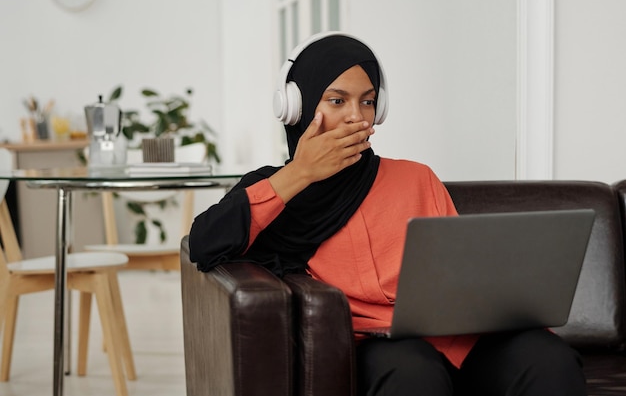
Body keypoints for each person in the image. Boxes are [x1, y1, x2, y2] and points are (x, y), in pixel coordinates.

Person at [188, 32, 587, 396]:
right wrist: (302, 172)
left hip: (460, 334)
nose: (356, 117)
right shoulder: (275, 186)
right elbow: (206, 243)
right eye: (337, 100)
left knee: (548, 358)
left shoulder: (416, 177)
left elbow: (459, 276)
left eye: (367, 101)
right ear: (297, 107)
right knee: (414, 376)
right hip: (379, 343)